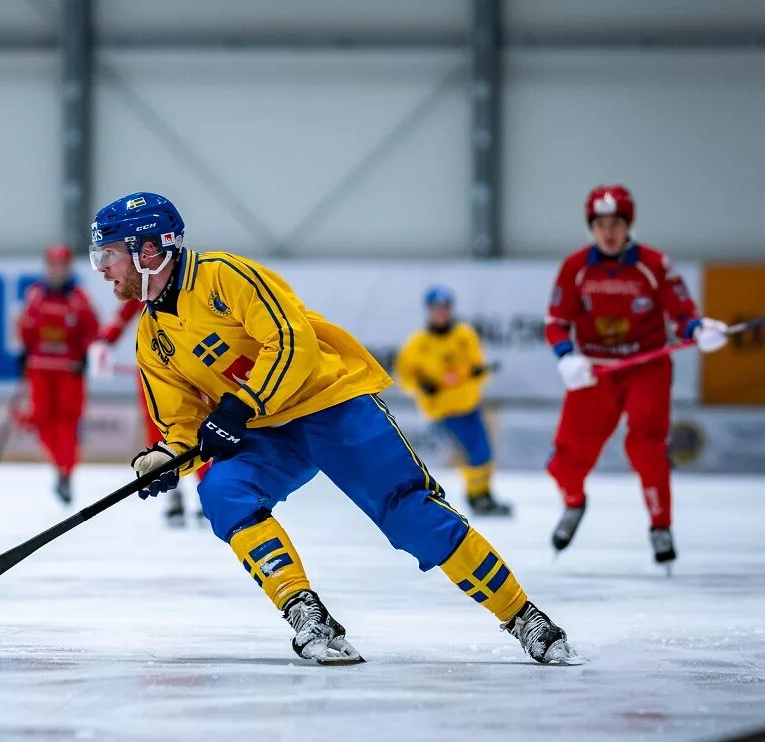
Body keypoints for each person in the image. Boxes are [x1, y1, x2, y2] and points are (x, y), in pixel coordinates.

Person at [90, 191, 576, 665]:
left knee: (409, 513)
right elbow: (184, 425)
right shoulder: (152, 339)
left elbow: (291, 342)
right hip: (269, 433)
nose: (103, 269)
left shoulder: (224, 277)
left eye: (109, 254)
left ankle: (524, 617)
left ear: (149, 249)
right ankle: (307, 614)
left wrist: (240, 407)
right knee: (223, 490)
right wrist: (167, 458)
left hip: (331, 405)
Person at [545, 185, 728, 566]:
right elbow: (556, 323)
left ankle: (660, 525)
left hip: (647, 367)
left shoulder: (655, 263)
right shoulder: (575, 268)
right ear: (591, 227)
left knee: (647, 448)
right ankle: (574, 504)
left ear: (629, 224)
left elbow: (683, 312)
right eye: (600, 224)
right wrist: (566, 357)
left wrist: (698, 330)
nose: (608, 232)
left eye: (616, 223)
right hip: (596, 371)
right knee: (567, 459)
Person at [91, 298, 210, 526]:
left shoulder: (187, 283)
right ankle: (174, 494)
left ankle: (205, 491)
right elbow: (123, 316)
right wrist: (104, 341)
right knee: (159, 429)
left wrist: (106, 340)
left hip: (187, 367)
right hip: (153, 369)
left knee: (197, 427)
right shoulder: (145, 282)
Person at [394, 286, 511, 516]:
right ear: (429, 311)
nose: (441, 313)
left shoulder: (464, 335)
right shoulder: (418, 343)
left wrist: (479, 373)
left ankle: (483, 494)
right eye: (436, 309)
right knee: (471, 453)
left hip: (468, 405)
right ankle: (475, 496)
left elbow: (478, 365)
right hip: (442, 411)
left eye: (445, 308)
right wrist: (422, 385)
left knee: (484, 451)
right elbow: (405, 376)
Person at [17, 245, 100, 504]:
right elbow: (26, 328)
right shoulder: (35, 296)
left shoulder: (79, 299)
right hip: (40, 369)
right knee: (40, 420)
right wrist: (24, 352)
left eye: (61, 265)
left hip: (68, 372)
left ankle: (66, 472)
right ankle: (59, 466)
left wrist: (86, 356)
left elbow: (91, 331)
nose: (57, 270)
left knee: (66, 423)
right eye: (52, 265)